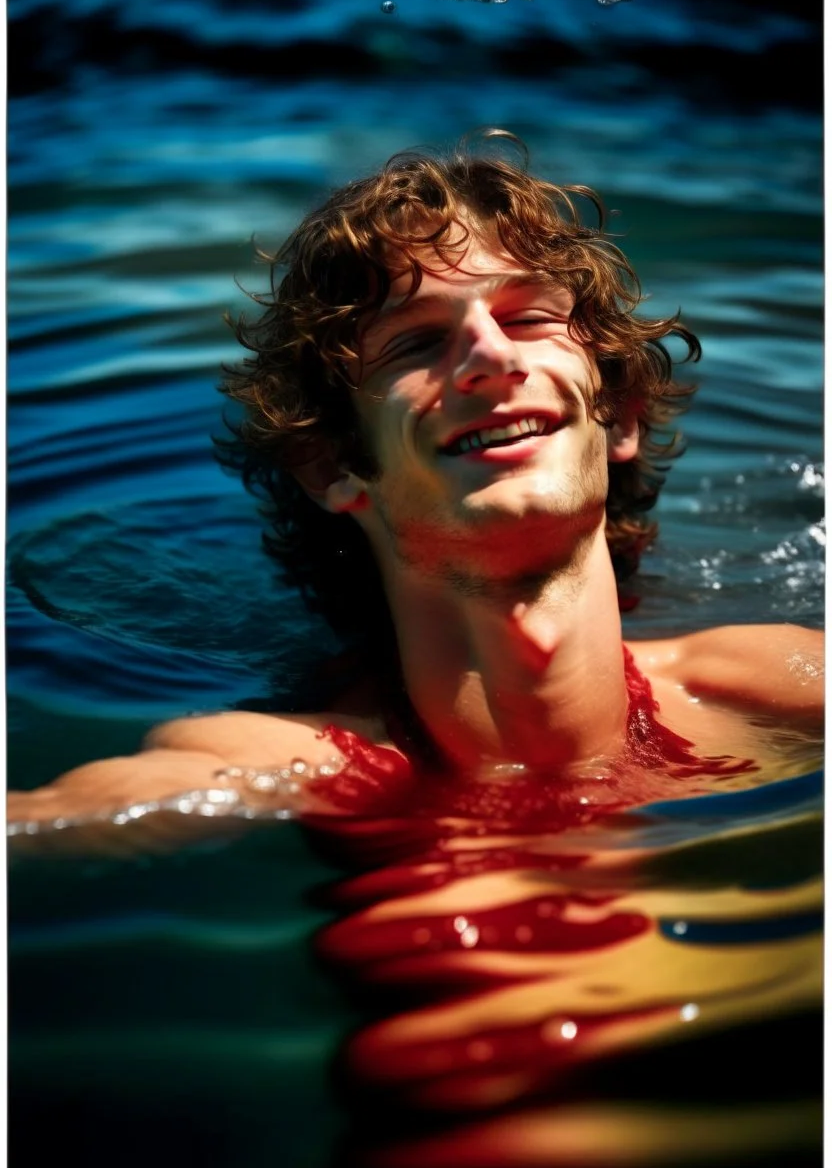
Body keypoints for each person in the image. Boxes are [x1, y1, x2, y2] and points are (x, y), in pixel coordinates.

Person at [7, 131, 823, 856]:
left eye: (531, 317)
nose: (490, 357)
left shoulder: (774, 686)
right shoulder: (278, 760)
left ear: (619, 416)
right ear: (333, 466)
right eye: (419, 341)